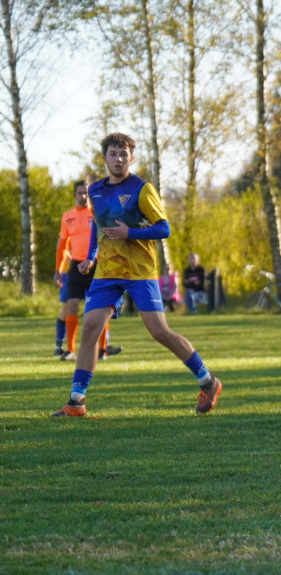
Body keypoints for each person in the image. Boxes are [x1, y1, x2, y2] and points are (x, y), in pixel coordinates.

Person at [51, 133, 222, 417]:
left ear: (131, 158)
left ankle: (208, 381)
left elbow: (164, 228)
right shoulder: (95, 191)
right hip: (107, 272)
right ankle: (76, 402)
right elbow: (97, 227)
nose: (118, 159)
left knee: (160, 332)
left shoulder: (142, 189)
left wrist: (131, 233)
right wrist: (90, 258)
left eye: (123, 154)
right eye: (113, 153)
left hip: (140, 271)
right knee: (91, 327)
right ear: (104, 157)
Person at [53, 180, 123, 362]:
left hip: (97, 266)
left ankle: (102, 349)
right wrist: (58, 270)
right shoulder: (67, 216)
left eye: (86, 193)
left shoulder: (97, 214)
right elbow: (62, 246)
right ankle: (69, 350)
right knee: (72, 305)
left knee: (100, 308)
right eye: (79, 193)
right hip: (76, 267)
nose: (83, 196)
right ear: (74, 195)